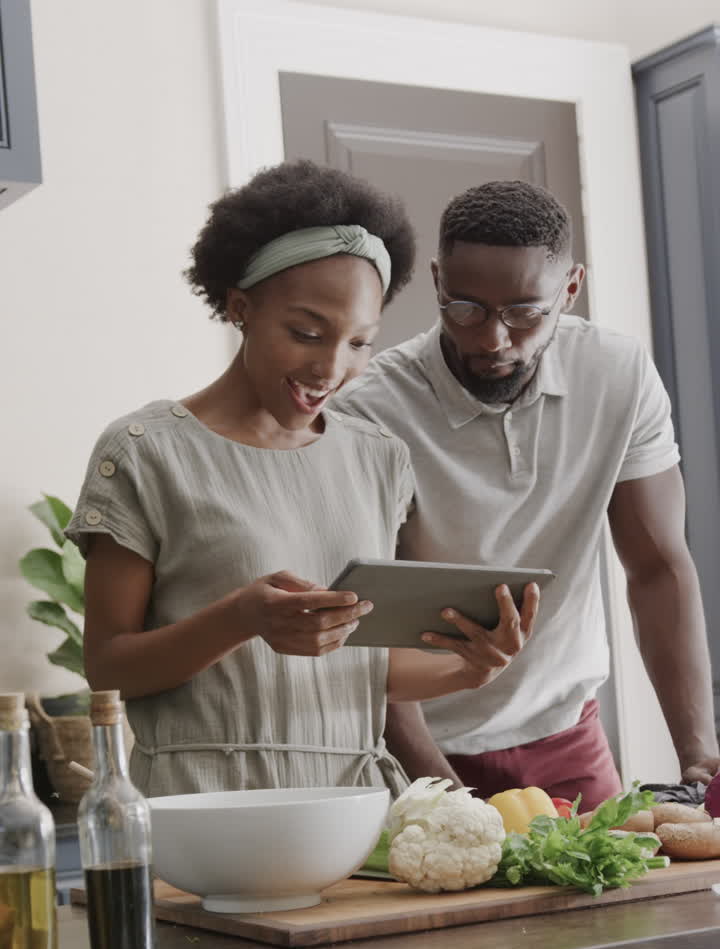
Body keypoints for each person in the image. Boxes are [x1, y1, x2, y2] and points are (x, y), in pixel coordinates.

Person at [65, 161, 537, 799]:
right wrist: (239, 618)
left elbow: (359, 671)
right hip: (206, 810)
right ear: (240, 307)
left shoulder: (378, 458)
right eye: (307, 333)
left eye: (360, 343)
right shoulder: (146, 453)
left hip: (354, 816)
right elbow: (108, 667)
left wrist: (469, 667)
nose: (332, 367)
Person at [334, 179, 720, 810]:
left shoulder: (618, 375)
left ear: (570, 289)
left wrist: (698, 751)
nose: (492, 338)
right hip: (416, 746)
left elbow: (657, 566)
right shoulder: (369, 411)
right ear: (436, 282)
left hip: (567, 736)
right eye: (467, 309)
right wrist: (448, 800)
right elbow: (365, 630)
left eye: (524, 313)